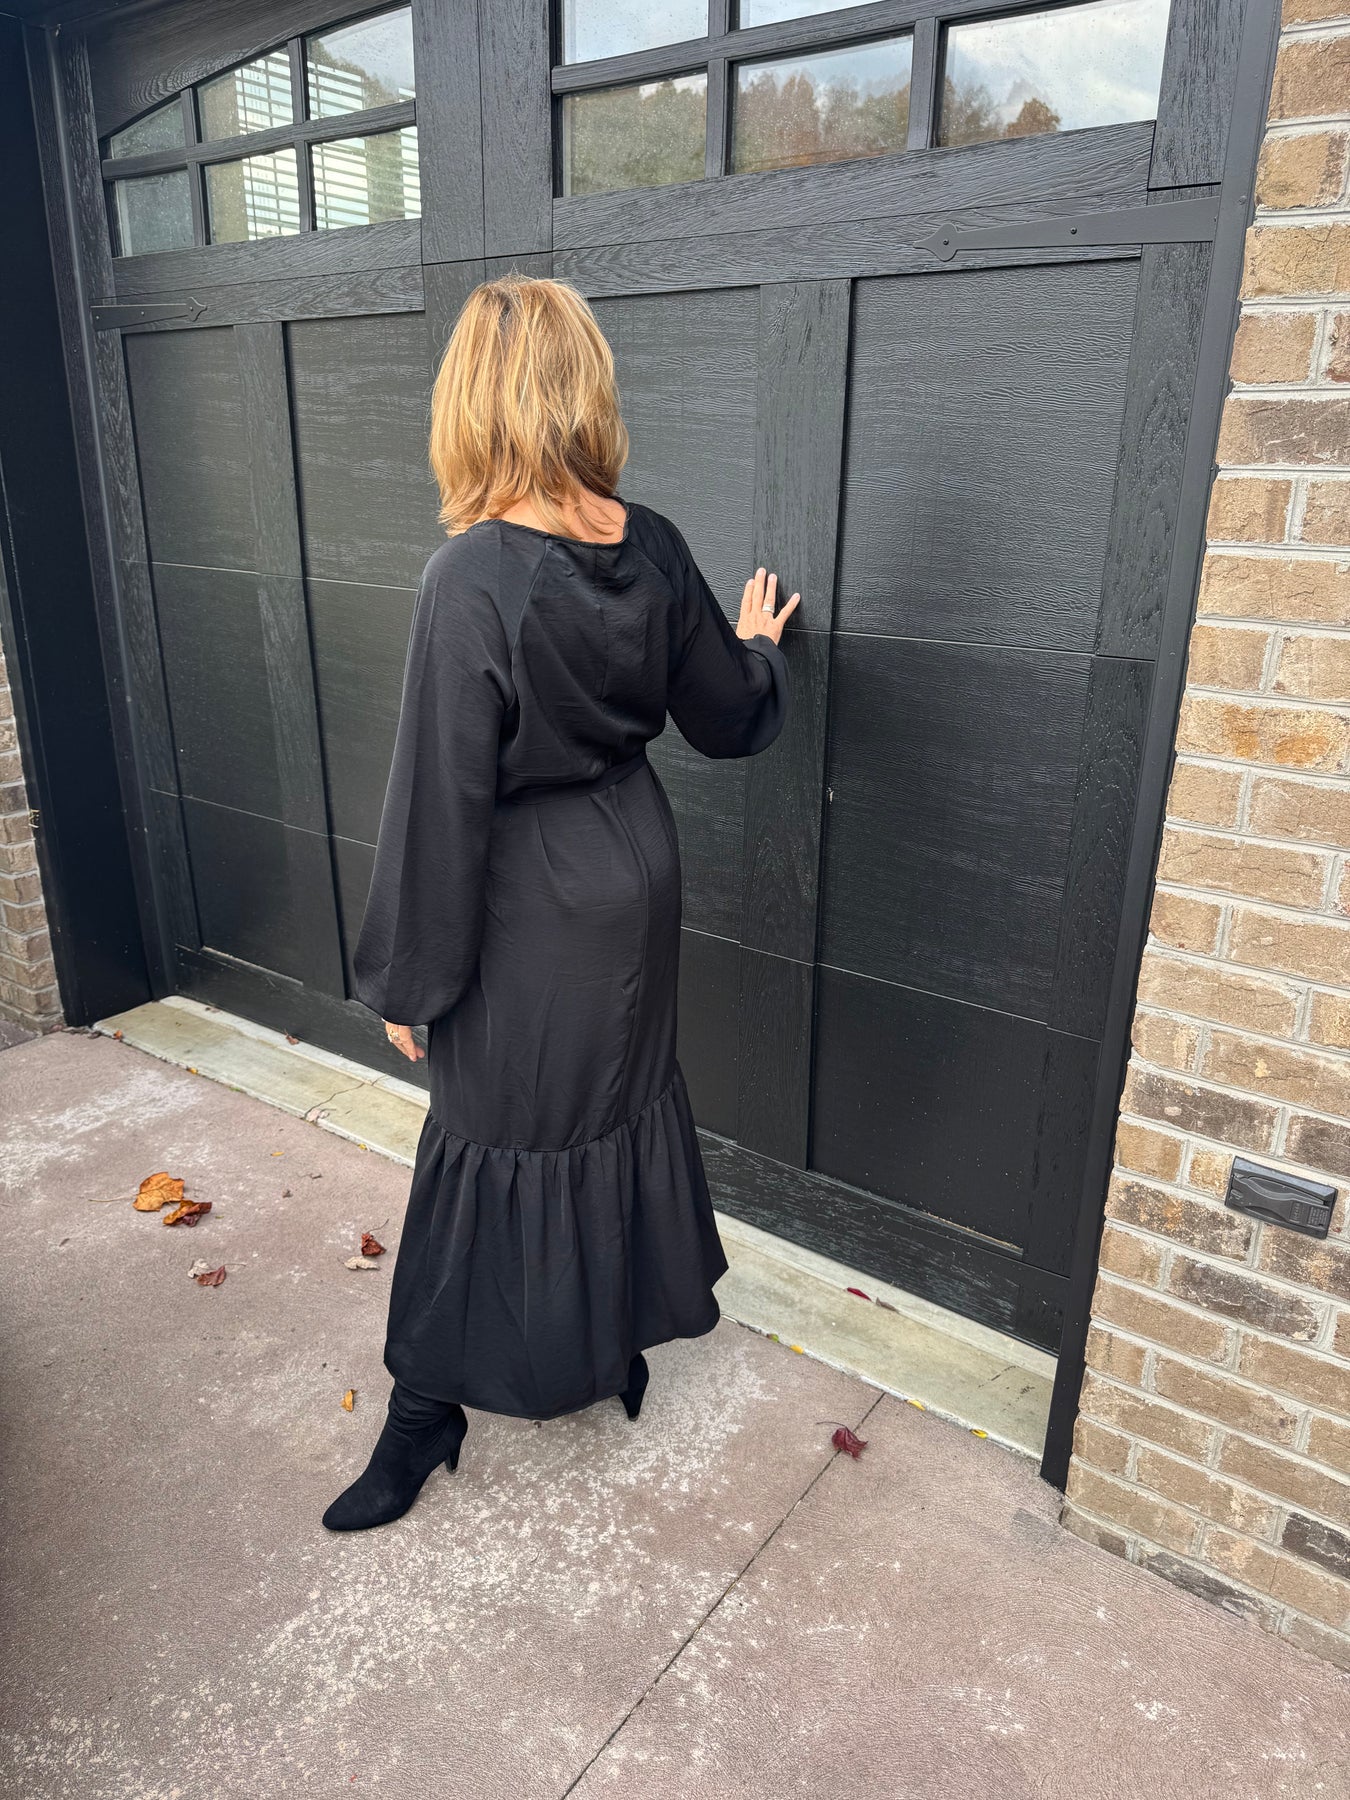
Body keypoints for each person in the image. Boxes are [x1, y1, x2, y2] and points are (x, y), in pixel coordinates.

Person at [322, 275, 798, 1532]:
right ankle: (608, 1348)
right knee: (610, 1116)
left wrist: (408, 981)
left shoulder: (471, 577)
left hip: (531, 901)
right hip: (637, 869)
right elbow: (726, 716)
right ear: (583, 388)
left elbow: (437, 799)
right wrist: (759, 651)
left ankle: (421, 1421)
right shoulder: (651, 542)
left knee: (490, 1147)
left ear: (472, 403)